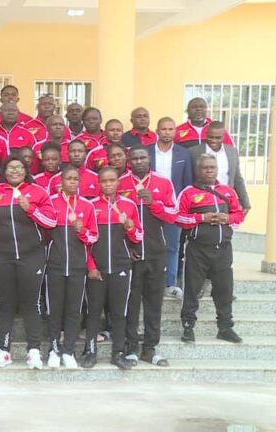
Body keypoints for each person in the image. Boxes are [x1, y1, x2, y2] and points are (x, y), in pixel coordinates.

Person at [0, 157, 55, 368]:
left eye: (19, 167)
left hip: (31, 255)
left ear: (26, 170)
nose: (15, 171)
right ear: (4, 171)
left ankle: (33, 350)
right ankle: (3, 350)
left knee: (31, 303)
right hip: (2, 256)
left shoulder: (38, 192)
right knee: (4, 304)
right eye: (10, 167)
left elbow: (51, 222)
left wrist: (31, 209)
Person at [118, 144, 178, 368]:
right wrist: (126, 246)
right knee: (131, 303)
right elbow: (114, 221)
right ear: (128, 160)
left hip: (156, 253)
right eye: (134, 158)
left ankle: (150, 349)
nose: (139, 161)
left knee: (153, 303)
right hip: (131, 254)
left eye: (142, 157)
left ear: (149, 159)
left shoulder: (163, 183)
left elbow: (174, 215)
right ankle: (131, 348)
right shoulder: (121, 183)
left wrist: (154, 203)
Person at [177, 154, 245, 344]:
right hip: (197, 250)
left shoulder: (228, 191)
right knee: (191, 289)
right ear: (198, 170)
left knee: (224, 289)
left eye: (212, 167)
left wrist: (228, 219)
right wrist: (202, 219)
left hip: (223, 249)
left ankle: (225, 327)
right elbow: (178, 218)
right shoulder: (188, 193)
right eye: (205, 167)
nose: (209, 171)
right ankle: (188, 327)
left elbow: (239, 214)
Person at [82, 167, 143, 370]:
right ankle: (90, 351)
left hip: (121, 267)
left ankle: (118, 352)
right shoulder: (91, 206)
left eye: (112, 180)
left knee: (119, 313)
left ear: (118, 182)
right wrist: (91, 266)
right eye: (104, 181)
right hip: (97, 269)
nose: (108, 184)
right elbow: (86, 242)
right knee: (93, 312)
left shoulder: (129, 205)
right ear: (98, 183)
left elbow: (138, 237)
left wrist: (130, 227)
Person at [46, 166, 98, 368]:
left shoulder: (87, 206)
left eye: (76, 179)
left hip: (77, 266)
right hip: (55, 266)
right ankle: (53, 349)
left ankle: (68, 350)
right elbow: (44, 234)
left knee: (74, 311)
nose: (73, 182)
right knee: (55, 310)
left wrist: (82, 231)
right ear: (61, 181)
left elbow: (93, 237)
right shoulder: (51, 203)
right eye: (68, 178)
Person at [149, 117, 193, 298]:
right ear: (157, 131)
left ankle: (170, 283)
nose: (167, 132)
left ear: (175, 131)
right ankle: (150, 282)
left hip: (173, 208)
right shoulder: (147, 152)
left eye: (170, 129)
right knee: (149, 246)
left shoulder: (184, 154)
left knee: (173, 246)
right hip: (149, 207)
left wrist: (185, 207)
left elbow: (188, 182)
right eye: (163, 129)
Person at [188, 121, 251, 213]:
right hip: (201, 204)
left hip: (226, 202)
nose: (214, 140)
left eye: (218, 138)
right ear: (206, 134)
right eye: (211, 137)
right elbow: (188, 179)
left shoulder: (232, 152)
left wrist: (245, 203)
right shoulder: (193, 152)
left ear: (224, 136)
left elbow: (237, 179)